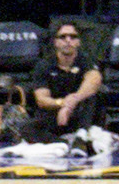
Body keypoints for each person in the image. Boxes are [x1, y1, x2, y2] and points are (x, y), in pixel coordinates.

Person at [29, 23, 106, 152]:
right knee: (27, 128)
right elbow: (42, 100)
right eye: (63, 37)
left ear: (79, 42)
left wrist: (73, 101)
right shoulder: (44, 65)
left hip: (80, 114)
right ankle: (65, 143)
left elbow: (94, 79)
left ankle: (81, 136)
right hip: (56, 114)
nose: (68, 40)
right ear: (55, 42)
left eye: (73, 37)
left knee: (92, 95)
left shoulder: (86, 60)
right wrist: (63, 103)